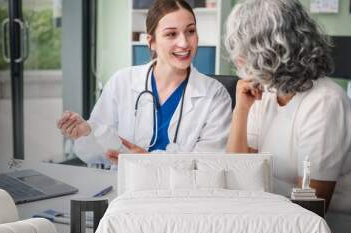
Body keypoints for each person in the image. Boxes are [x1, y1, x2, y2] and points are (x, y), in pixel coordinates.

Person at [57, 0, 232, 165]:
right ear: (151, 42)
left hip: (181, 194)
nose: (184, 43)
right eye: (171, 34)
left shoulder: (215, 95)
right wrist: (86, 133)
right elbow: (96, 156)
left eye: (190, 31)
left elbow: (210, 164)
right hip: (125, 190)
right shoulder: (123, 82)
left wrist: (147, 161)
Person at [224, 0, 351, 213]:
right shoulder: (266, 93)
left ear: (274, 50)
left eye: (246, 49)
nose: (239, 60)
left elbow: (311, 208)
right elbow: (234, 175)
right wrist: (241, 110)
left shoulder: (324, 103)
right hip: (272, 219)